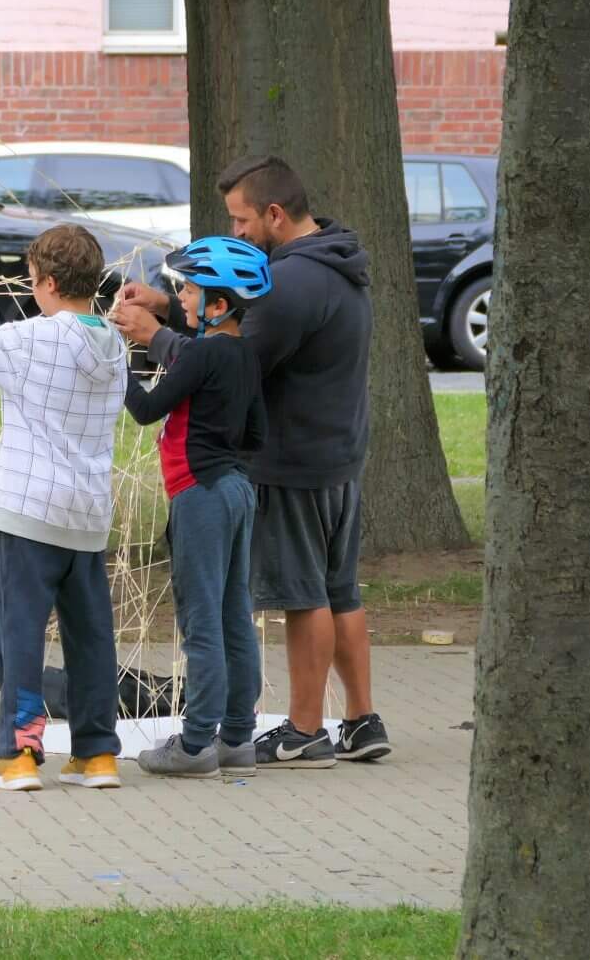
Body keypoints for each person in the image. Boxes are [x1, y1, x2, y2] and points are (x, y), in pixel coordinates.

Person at [112, 155, 391, 766]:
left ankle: (304, 729)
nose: (237, 232)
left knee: (304, 594)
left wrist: (153, 334)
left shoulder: (290, 285)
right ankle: (362, 719)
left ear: (273, 214)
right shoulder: (333, 260)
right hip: (340, 451)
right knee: (340, 591)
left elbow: (226, 362)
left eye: (241, 222)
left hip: (295, 462)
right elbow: (226, 330)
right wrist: (173, 304)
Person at [0, 223, 128, 792]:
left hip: (28, 509)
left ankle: (20, 750)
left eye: (34, 280)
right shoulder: (113, 345)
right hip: (86, 514)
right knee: (91, 636)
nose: (31, 289)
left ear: (50, 283)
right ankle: (96, 751)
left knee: (12, 630)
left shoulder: (39, 337)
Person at [115, 237, 270, 777]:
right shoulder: (244, 353)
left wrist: (117, 363)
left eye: (189, 287)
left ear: (218, 305)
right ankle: (237, 739)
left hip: (198, 494)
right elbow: (256, 432)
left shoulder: (203, 353)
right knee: (234, 620)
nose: (179, 295)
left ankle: (196, 744)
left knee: (201, 624)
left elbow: (146, 409)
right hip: (235, 490)